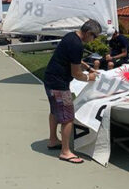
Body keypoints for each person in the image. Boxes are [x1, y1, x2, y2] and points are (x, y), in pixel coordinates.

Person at [43, 19, 101, 164]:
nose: (94, 40)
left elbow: (75, 60)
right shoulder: (77, 45)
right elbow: (76, 74)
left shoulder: (71, 36)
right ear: (88, 33)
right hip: (59, 84)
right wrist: (89, 77)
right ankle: (65, 152)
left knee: (54, 111)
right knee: (68, 118)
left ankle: (53, 140)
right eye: (94, 36)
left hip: (50, 80)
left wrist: (88, 68)